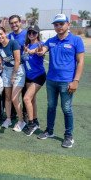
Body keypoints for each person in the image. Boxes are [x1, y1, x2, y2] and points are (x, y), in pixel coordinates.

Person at [36, 14, 85, 148]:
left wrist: (76, 80)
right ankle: (49, 131)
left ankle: (68, 136)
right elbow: (43, 50)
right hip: (51, 80)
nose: (58, 27)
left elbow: (80, 62)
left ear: (68, 24)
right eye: (56, 24)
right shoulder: (51, 41)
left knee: (66, 109)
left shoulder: (76, 40)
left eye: (61, 24)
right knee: (51, 106)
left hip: (67, 81)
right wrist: (40, 51)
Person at [0, 27, 26, 132]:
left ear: (5, 33)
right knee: (7, 97)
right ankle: (8, 119)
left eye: (1, 34)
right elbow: (0, 61)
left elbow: (17, 61)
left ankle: (21, 121)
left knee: (14, 98)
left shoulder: (13, 43)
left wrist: (13, 75)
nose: (0, 36)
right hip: (6, 71)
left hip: (17, 71)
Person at [21, 25, 45, 136]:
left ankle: (31, 124)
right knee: (32, 100)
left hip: (39, 76)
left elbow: (39, 50)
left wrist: (33, 51)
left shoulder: (40, 45)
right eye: (29, 32)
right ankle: (35, 121)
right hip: (28, 76)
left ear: (37, 34)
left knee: (26, 98)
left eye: (34, 33)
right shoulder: (27, 45)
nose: (31, 34)